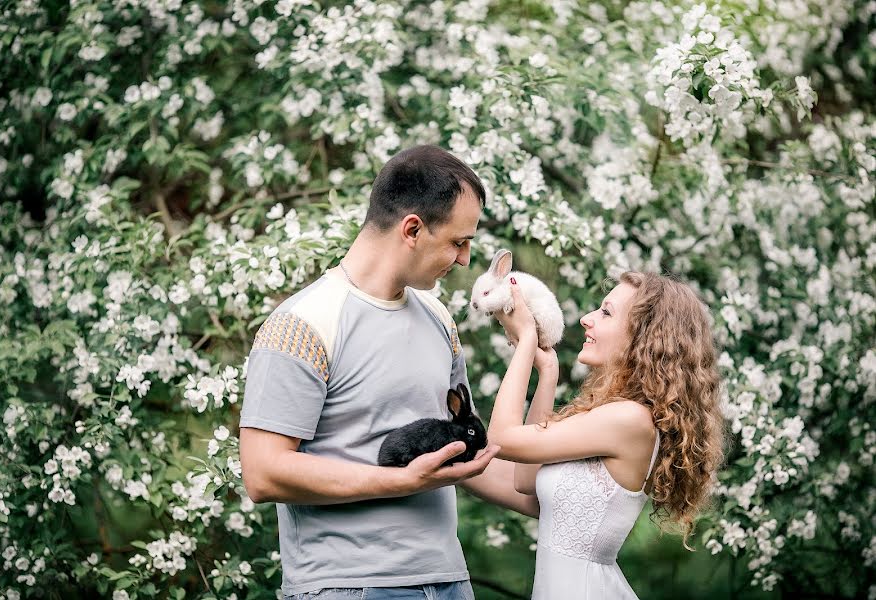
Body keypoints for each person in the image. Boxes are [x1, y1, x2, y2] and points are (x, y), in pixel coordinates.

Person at [239, 145, 538, 600]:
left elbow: (465, 456)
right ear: (412, 229)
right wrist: (400, 481)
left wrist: (572, 506)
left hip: (450, 582)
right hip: (348, 586)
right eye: (458, 242)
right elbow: (262, 473)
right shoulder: (303, 324)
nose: (464, 259)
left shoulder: (439, 319)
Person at [488, 272, 725, 599]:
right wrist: (548, 374)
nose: (586, 319)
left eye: (606, 312)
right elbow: (525, 479)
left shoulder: (629, 419)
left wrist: (527, 340)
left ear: (643, 335)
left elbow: (502, 438)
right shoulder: (618, 413)